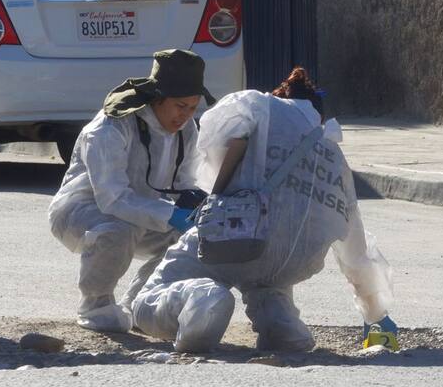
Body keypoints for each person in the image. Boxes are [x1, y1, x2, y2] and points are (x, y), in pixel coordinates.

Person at [130, 67, 396, 353]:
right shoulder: (332, 154)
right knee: (267, 284)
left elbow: (217, 140)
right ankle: (283, 328)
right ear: (317, 116)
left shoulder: (259, 106)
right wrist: (376, 312)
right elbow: (355, 248)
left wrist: (217, 192)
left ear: (280, 95)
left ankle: (205, 300)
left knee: (145, 302)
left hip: (234, 237)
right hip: (293, 262)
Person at [48, 49, 215, 331]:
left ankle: (141, 303)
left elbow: (185, 181)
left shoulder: (186, 130)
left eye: (193, 107)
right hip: (83, 212)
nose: (186, 116)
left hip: (144, 213)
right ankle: (95, 306)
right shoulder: (110, 127)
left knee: (194, 240)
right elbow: (112, 198)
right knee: (118, 229)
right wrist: (169, 214)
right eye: (179, 106)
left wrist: (195, 204)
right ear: (157, 98)